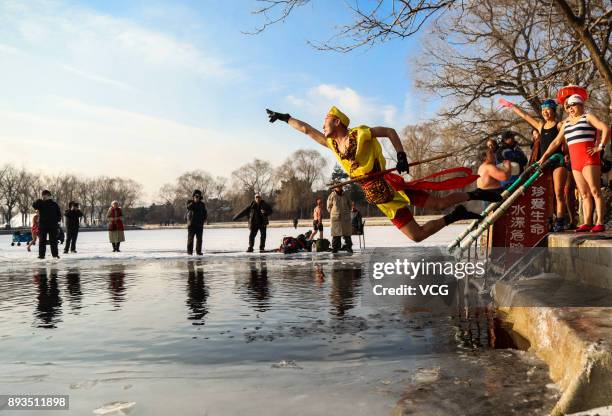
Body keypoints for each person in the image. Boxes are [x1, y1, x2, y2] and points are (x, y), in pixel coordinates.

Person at [266, 107, 501, 243]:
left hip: (390, 184)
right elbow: (307, 130)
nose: (322, 125)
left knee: (438, 203)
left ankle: (473, 194)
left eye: (326, 121)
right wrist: (285, 118)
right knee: (416, 236)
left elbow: (389, 131)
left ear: (337, 121)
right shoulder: (332, 146)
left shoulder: (361, 133)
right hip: (380, 198)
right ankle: (457, 215)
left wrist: (401, 155)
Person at [538, 94, 610, 233]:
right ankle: (587, 222)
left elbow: (605, 128)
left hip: (589, 159)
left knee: (595, 190)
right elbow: (556, 142)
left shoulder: (588, 117)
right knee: (584, 193)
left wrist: (600, 146)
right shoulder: (566, 123)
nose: (571, 108)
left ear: (581, 105)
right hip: (575, 161)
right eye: (569, 106)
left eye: (574, 105)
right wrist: (545, 156)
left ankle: (600, 221)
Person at [500, 98, 570, 231]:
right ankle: (549, 219)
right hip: (544, 163)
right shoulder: (540, 126)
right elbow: (525, 115)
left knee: (559, 193)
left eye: (548, 110)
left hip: (557, 161)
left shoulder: (559, 125)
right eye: (543, 110)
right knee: (548, 194)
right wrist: (511, 106)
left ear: (553, 111)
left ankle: (561, 220)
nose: (545, 112)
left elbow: (567, 126)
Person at [32, 190, 62, 259]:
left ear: (49, 196)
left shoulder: (54, 204)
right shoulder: (41, 203)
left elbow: (59, 214)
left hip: (53, 226)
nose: (45, 197)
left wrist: (57, 221)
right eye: (43, 195)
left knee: (53, 241)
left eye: (46, 195)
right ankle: (41, 255)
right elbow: (34, 206)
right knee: (42, 241)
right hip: (43, 226)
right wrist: (39, 200)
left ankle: (55, 255)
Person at [327, 185, 353, 253]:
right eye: (337, 186)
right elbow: (328, 207)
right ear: (335, 187)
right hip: (336, 218)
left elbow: (350, 205)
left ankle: (348, 247)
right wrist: (334, 212)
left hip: (345, 217)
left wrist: (346, 212)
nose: (339, 188)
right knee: (336, 235)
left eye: (340, 186)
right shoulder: (332, 195)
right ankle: (335, 248)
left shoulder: (346, 195)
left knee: (347, 234)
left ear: (342, 187)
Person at [186, 189, 208, 255]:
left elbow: (204, 212)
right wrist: (194, 202)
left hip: (199, 224)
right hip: (191, 224)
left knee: (199, 239)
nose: (197, 197)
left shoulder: (202, 204)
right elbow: (188, 208)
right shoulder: (189, 202)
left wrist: (205, 219)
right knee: (190, 239)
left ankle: (198, 252)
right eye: (196, 196)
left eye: (198, 196)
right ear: (193, 196)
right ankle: (189, 252)